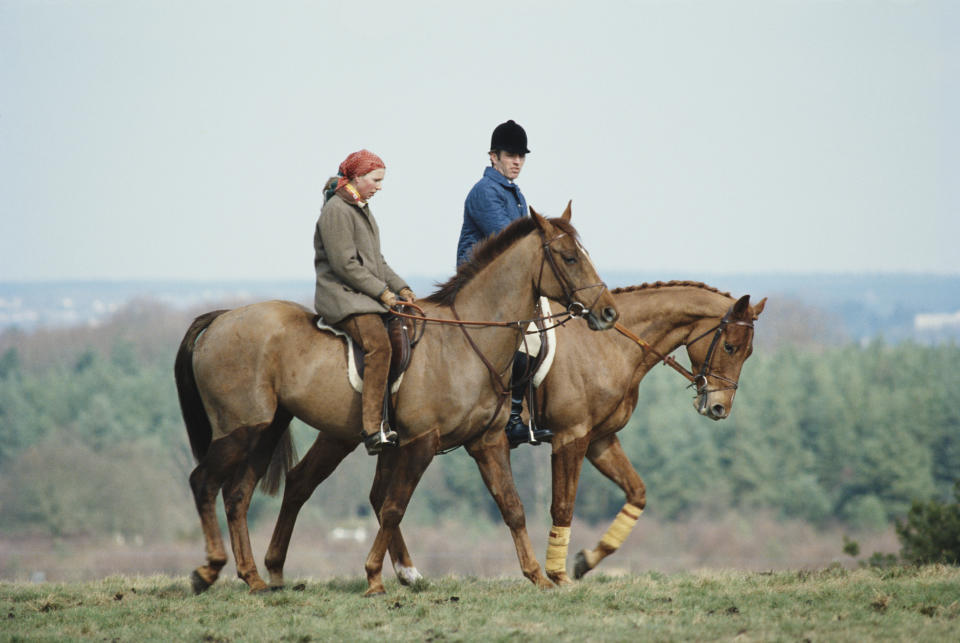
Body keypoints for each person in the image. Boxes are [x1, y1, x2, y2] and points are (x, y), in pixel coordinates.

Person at [456, 120, 553, 448]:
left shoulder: (515, 193)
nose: (517, 162)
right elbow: (511, 245)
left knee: (543, 337)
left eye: (521, 157)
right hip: (479, 289)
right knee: (529, 343)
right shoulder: (485, 192)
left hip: (504, 288)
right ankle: (512, 419)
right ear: (493, 157)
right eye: (510, 155)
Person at [314, 149, 415, 455]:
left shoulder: (362, 208)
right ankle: (372, 428)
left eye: (381, 180)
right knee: (379, 346)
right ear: (357, 177)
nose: (379, 186)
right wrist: (383, 293)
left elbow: (376, 261)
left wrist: (402, 288)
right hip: (342, 296)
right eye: (376, 180)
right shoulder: (336, 211)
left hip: (363, 294)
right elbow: (345, 265)